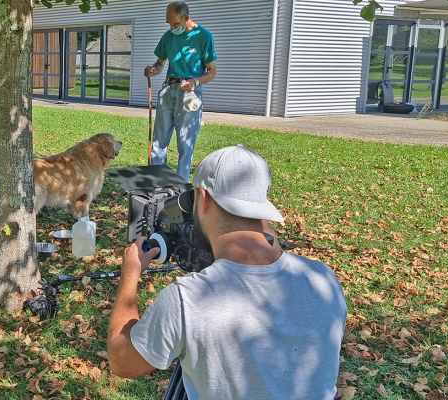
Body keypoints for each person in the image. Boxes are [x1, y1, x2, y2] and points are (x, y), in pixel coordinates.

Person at [106, 145, 348, 400]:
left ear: (204, 198)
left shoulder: (188, 300)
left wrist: (130, 273)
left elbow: (122, 362)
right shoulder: (324, 279)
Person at [143, 1, 217, 181]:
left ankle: (180, 189)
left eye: (175, 23)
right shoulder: (168, 36)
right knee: (158, 142)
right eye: (169, 24)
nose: (172, 27)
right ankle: (156, 185)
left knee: (185, 145)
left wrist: (195, 81)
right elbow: (160, 65)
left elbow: (212, 72)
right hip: (168, 90)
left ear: (186, 18)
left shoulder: (203, 37)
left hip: (189, 96)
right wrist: (152, 70)